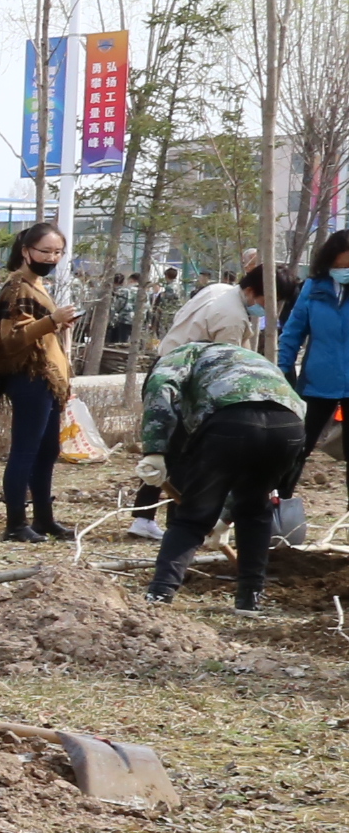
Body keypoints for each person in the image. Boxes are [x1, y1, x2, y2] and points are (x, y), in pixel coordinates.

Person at [141, 336, 309, 610]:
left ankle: (159, 596)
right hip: (289, 426)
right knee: (254, 509)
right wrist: (226, 519)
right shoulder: (244, 357)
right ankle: (250, 600)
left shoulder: (182, 353)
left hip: (231, 421)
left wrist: (154, 450)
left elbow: (160, 386)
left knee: (193, 518)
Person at [0, 222, 78, 541]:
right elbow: (11, 340)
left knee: (47, 450)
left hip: (46, 379)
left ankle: (43, 519)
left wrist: (56, 324)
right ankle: (15, 524)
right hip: (29, 377)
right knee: (26, 449)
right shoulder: (17, 287)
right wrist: (52, 321)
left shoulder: (36, 285)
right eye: (45, 251)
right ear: (26, 251)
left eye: (58, 252)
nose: (52, 258)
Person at [277, 230, 349, 501]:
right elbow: (293, 332)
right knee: (296, 448)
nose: (345, 271)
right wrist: (283, 369)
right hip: (317, 382)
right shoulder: (313, 288)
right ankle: (277, 505)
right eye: (340, 265)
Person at [164, 264, 265, 352]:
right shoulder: (234, 319)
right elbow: (224, 362)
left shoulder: (218, 288)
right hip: (181, 365)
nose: (266, 307)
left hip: (168, 352)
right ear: (250, 291)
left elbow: (179, 315)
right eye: (265, 301)